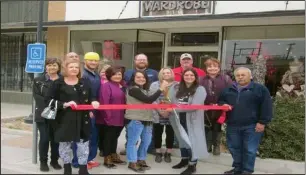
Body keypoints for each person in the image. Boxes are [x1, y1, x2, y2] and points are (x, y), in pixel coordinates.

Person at [45, 59, 100, 174]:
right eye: (71, 67)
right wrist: (65, 104)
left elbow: (92, 97)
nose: (74, 69)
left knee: (83, 145)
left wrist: (94, 102)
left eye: (76, 67)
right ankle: (67, 167)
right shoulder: (58, 83)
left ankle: (83, 169)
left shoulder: (85, 82)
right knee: (65, 145)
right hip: (64, 119)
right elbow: (48, 100)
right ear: (65, 69)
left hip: (83, 119)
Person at [218, 67, 273, 174]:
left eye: (243, 75)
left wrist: (262, 122)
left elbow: (267, 106)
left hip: (252, 125)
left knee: (250, 150)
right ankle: (238, 168)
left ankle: (247, 170)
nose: (240, 77)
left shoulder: (260, 89)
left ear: (250, 76)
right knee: (234, 148)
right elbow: (220, 100)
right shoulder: (228, 89)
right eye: (238, 75)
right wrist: (222, 104)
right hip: (232, 125)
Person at [125, 70, 169, 173]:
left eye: (143, 77)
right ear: (133, 79)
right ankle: (132, 162)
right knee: (133, 142)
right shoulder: (133, 89)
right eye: (138, 77)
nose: (141, 79)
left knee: (146, 141)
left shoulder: (144, 90)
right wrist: (161, 89)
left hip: (147, 119)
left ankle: (141, 159)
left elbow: (152, 100)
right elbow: (149, 100)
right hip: (136, 119)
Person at [167, 68, 209, 174]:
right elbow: (171, 101)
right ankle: (184, 160)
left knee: (192, 141)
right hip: (178, 118)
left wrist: (174, 109)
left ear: (195, 77)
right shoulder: (176, 87)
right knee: (182, 140)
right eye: (186, 75)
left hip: (192, 120)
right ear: (182, 76)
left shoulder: (200, 89)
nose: (189, 77)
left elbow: (193, 107)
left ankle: (192, 165)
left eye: (191, 75)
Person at [120, 53, 158, 155]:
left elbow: (152, 93)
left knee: (146, 139)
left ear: (147, 61)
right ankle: (131, 155)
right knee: (132, 138)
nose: (142, 61)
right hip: (134, 112)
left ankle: (146, 152)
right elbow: (125, 87)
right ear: (135, 61)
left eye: (144, 59)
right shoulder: (128, 73)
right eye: (139, 59)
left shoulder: (154, 73)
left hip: (147, 114)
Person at [72, 52, 101, 169]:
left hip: (94, 109)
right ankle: (77, 162)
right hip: (85, 110)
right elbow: (78, 94)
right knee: (81, 137)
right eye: (91, 60)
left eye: (95, 60)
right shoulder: (82, 74)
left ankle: (87, 159)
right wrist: (87, 109)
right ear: (85, 61)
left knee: (91, 136)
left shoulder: (95, 74)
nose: (93, 62)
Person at [33, 57, 62, 172]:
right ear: (45, 67)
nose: (52, 67)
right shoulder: (38, 80)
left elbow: (64, 96)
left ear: (58, 67)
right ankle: (43, 162)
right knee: (44, 138)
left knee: (56, 140)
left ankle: (54, 161)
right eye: (49, 65)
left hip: (59, 114)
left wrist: (57, 106)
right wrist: (50, 106)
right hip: (43, 114)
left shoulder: (62, 80)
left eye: (54, 65)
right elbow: (37, 97)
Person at [199, 58, 233, 155]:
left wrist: (225, 104)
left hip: (221, 108)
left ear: (219, 68)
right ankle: (208, 145)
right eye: (210, 66)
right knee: (207, 126)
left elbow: (231, 93)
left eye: (215, 66)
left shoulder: (226, 79)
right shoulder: (201, 79)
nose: (212, 68)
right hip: (206, 108)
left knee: (217, 126)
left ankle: (216, 146)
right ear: (206, 68)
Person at [97, 66, 127, 168]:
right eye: (115, 74)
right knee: (108, 138)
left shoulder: (122, 86)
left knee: (115, 138)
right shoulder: (106, 86)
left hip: (120, 117)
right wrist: (108, 118)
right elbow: (104, 102)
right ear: (109, 75)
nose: (117, 76)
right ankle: (107, 158)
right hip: (109, 118)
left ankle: (114, 155)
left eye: (119, 74)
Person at [149, 68, 177, 163]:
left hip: (171, 113)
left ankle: (168, 153)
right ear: (160, 74)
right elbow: (152, 98)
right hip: (158, 113)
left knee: (170, 134)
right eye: (164, 73)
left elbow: (179, 99)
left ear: (171, 74)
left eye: (168, 72)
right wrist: (160, 111)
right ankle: (158, 152)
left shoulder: (177, 85)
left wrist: (168, 111)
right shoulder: (154, 84)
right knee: (157, 134)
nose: (166, 74)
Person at [96, 64, 111, 157]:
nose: (105, 73)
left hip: (110, 110)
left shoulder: (114, 82)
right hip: (98, 111)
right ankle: (101, 148)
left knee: (108, 130)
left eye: (107, 71)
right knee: (100, 130)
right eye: (103, 71)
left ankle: (108, 149)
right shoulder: (97, 82)